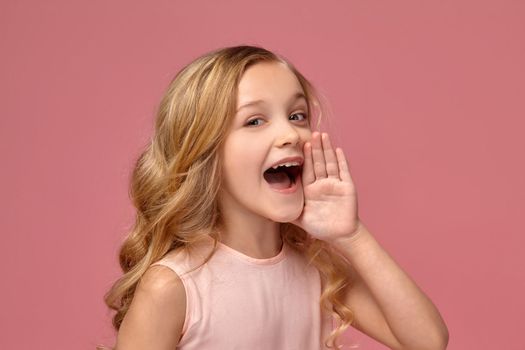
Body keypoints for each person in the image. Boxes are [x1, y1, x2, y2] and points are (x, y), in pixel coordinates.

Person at [100, 45, 449, 350]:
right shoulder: (174, 286)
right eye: (254, 121)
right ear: (204, 152)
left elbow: (427, 341)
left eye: (297, 116)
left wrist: (352, 235)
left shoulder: (318, 267)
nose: (290, 133)